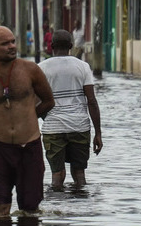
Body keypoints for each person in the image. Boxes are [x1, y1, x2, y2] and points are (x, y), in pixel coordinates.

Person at [0, 26, 57, 218]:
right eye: (5, 43)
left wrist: (29, 115)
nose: (12, 46)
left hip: (29, 145)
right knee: (1, 208)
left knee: (30, 210)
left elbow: (49, 101)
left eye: (13, 41)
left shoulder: (30, 70)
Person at [39, 30, 103, 190]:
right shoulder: (82, 67)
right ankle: (80, 208)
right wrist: (98, 133)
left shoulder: (41, 68)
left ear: (51, 46)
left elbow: (35, 102)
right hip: (79, 126)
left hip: (53, 128)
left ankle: (57, 208)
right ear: (71, 46)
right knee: (79, 174)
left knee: (57, 175)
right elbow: (92, 102)